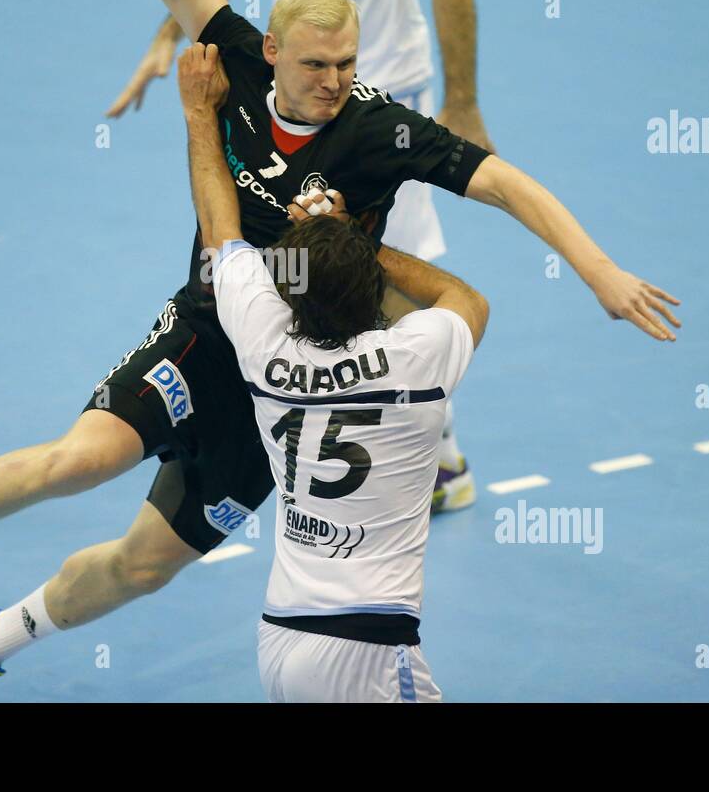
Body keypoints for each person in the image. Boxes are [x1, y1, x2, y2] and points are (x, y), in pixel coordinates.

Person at [0, 0, 680, 703]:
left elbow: (506, 183)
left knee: (142, 566)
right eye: (316, 66)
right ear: (273, 52)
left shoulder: (384, 131)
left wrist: (598, 271)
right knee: (81, 460)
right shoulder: (232, 56)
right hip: (206, 330)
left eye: (346, 63)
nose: (335, 81)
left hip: (291, 387)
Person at [109, 0, 495, 510]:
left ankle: (435, 454)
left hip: (378, 105)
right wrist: (171, 32)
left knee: (385, 283)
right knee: (340, 275)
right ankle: (437, 455)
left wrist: (460, 100)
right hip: (299, 89)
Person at [181, 40, 488, 701]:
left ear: (292, 295)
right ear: (373, 294)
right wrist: (364, 242)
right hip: (369, 649)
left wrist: (200, 116)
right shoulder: (415, 362)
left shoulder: (265, 347)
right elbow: (466, 300)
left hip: (280, 633)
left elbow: (221, 229)